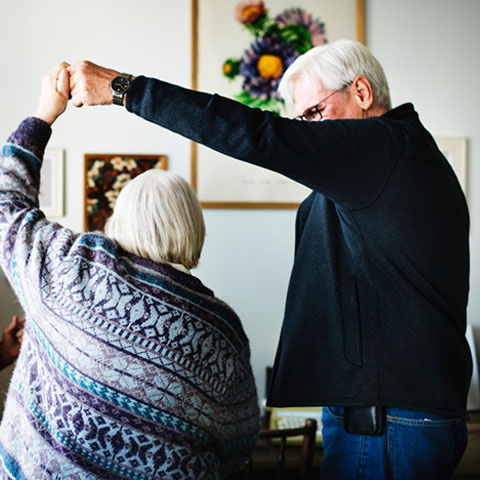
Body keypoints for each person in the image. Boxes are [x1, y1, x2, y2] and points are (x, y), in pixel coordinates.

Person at [67, 38, 471, 479]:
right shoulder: (394, 159)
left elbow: (261, 137)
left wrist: (125, 88)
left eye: (315, 114)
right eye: (302, 120)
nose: (309, 130)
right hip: (389, 413)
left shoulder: (385, 148)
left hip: (387, 422)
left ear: (361, 92)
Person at [0, 63, 259, 479]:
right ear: (193, 232)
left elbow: (6, 203)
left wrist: (44, 115)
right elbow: (239, 444)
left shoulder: (69, 269)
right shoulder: (221, 331)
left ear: (117, 221)